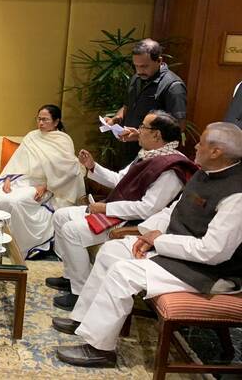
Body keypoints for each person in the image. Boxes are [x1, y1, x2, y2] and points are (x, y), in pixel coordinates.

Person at [52, 122, 242, 368]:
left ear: (216, 152)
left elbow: (212, 252)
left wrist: (159, 242)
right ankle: (84, 318)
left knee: (123, 272)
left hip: (209, 273)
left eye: (202, 142)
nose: (196, 146)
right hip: (178, 253)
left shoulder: (236, 194)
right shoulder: (204, 173)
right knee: (111, 251)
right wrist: (146, 235)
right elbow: (173, 210)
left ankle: (99, 349)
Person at [46, 110, 198, 311]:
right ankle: (71, 277)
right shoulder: (149, 155)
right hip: (119, 210)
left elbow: (148, 209)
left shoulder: (170, 168)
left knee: (71, 230)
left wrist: (106, 208)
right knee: (60, 215)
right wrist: (93, 166)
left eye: (143, 126)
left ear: (157, 135)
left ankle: (80, 293)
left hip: (134, 222)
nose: (138, 130)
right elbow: (120, 180)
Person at [0, 105, 85, 258]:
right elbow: (16, 161)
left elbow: (70, 170)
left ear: (56, 122)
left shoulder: (63, 140)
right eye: (39, 119)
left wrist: (46, 186)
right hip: (22, 179)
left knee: (15, 201)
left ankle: (20, 246)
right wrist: (7, 179)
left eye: (45, 120)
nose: (40, 123)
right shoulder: (32, 136)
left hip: (47, 184)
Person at [104, 38, 187, 166]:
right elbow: (127, 105)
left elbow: (177, 128)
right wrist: (116, 119)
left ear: (159, 61)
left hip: (153, 155)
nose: (139, 71)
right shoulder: (136, 78)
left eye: (144, 66)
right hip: (129, 148)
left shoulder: (173, 86)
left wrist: (140, 136)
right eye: (136, 66)